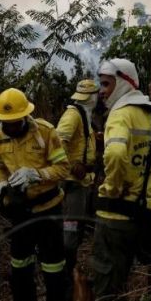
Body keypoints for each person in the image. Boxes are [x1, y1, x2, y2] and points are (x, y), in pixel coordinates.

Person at [91, 58, 151, 301]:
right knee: (126, 280)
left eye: (107, 84)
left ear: (126, 82)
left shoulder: (120, 115)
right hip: (145, 217)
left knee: (108, 290)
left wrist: (114, 187)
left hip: (115, 217)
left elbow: (116, 153)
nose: (102, 91)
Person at [0, 88, 70, 301]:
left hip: (48, 210)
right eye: (6, 122)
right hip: (20, 214)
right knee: (20, 270)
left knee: (54, 270)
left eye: (14, 122)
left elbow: (63, 168)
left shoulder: (45, 132)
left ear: (25, 116)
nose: (10, 127)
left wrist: (36, 174)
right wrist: (1, 182)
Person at [55, 79, 99, 288]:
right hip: (73, 184)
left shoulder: (85, 115)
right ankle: (64, 282)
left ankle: (70, 276)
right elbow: (57, 141)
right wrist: (72, 165)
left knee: (77, 229)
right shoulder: (73, 115)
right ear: (92, 97)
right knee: (70, 232)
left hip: (83, 184)